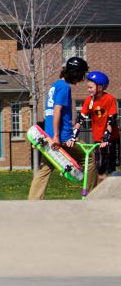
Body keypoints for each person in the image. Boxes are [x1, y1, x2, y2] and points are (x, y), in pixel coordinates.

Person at [29, 56, 88, 200]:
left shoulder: (55, 85)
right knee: (89, 156)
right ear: (75, 73)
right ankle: (93, 193)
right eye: (81, 75)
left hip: (48, 135)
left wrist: (51, 134)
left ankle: (32, 201)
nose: (82, 79)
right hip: (61, 137)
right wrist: (57, 136)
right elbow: (57, 111)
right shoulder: (64, 87)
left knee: (46, 168)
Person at [73, 70, 117, 192]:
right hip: (97, 139)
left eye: (91, 87)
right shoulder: (89, 100)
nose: (89, 90)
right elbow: (81, 117)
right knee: (98, 167)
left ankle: (110, 193)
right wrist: (74, 134)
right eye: (88, 87)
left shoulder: (109, 99)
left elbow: (111, 119)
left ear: (100, 87)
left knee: (108, 168)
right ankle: (98, 192)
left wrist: (106, 137)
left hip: (110, 140)